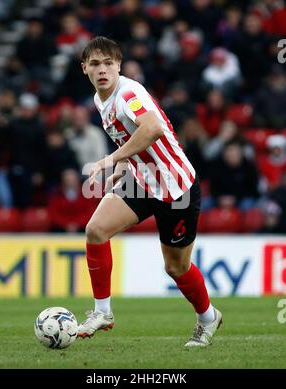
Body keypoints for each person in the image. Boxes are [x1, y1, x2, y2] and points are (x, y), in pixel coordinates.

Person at [78, 36, 222, 348]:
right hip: (142, 179)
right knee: (96, 230)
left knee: (176, 267)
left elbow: (152, 127)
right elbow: (132, 135)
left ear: (119, 65)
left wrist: (111, 159)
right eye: (95, 64)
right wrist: (124, 162)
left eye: (108, 63)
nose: (102, 69)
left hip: (175, 188)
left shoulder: (128, 92)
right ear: (84, 68)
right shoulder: (99, 99)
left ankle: (208, 317)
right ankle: (102, 312)